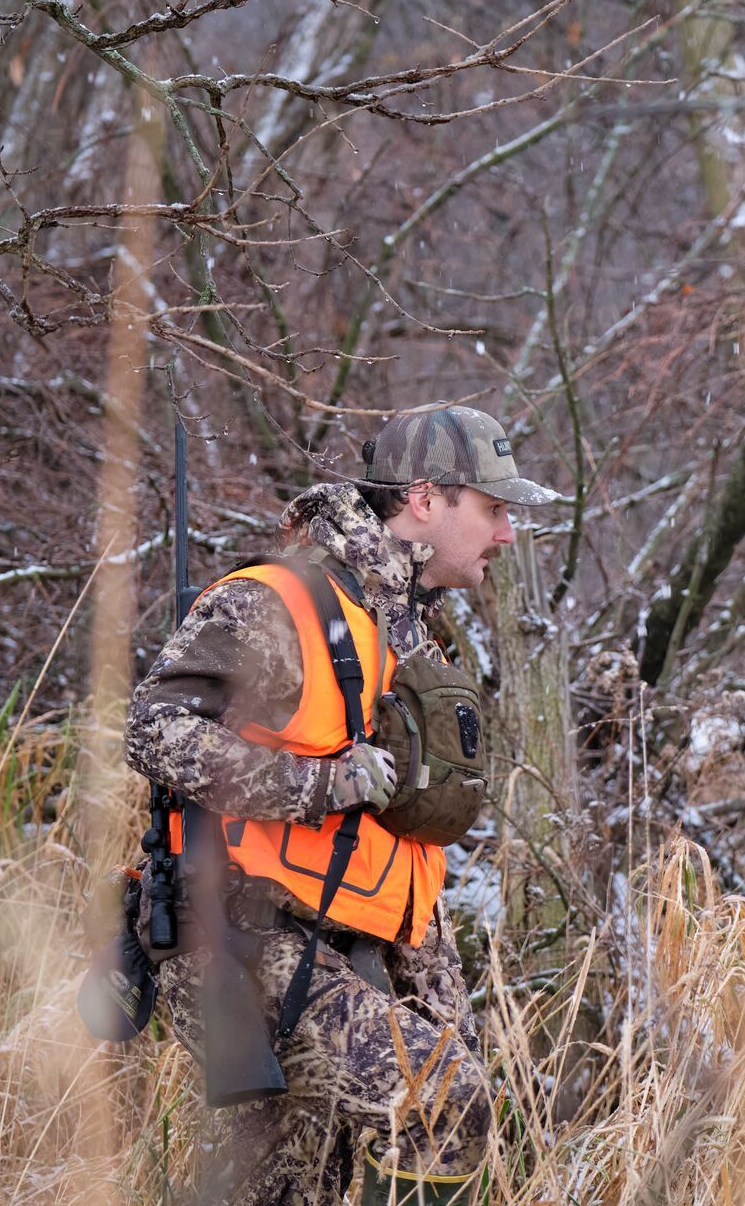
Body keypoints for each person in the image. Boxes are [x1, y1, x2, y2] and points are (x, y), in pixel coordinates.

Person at [124, 405, 559, 1205]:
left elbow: (399, 852)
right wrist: (315, 785)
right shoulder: (274, 604)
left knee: (293, 1188)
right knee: (443, 1100)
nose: (506, 534)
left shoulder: (412, 635)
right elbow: (154, 732)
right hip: (242, 936)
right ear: (425, 500)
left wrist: (441, 1008)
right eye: (494, 511)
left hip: (347, 949)